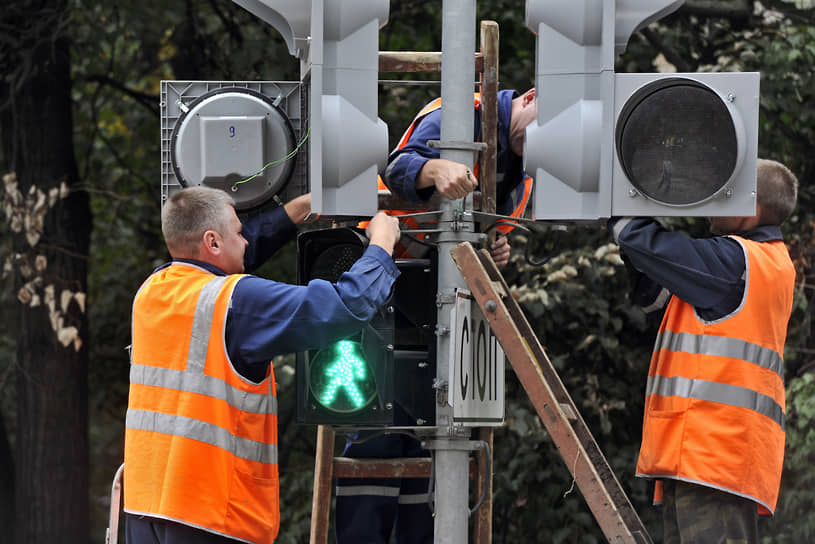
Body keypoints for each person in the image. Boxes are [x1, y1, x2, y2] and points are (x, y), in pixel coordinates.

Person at [123, 186, 401, 544]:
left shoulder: (151, 292)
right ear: (212, 241)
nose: (247, 242)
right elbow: (346, 307)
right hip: (213, 517)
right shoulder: (237, 302)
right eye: (239, 233)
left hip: (146, 510)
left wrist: (302, 208)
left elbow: (220, 257)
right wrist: (381, 244)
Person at [335, 88, 538, 544]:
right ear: (528, 98)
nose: (544, 140)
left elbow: (487, 237)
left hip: (438, 309)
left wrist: (496, 247)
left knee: (428, 441)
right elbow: (400, 165)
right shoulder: (463, 110)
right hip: (380, 285)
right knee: (375, 433)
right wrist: (436, 169)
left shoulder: (523, 176)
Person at [608, 159, 798, 544]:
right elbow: (654, 293)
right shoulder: (754, 264)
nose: (711, 201)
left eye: (724, 192)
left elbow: (648, 244)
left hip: (714, 458)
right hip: (708, 458)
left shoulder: (736, 263)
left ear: (750, 208)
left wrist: (620, 202)